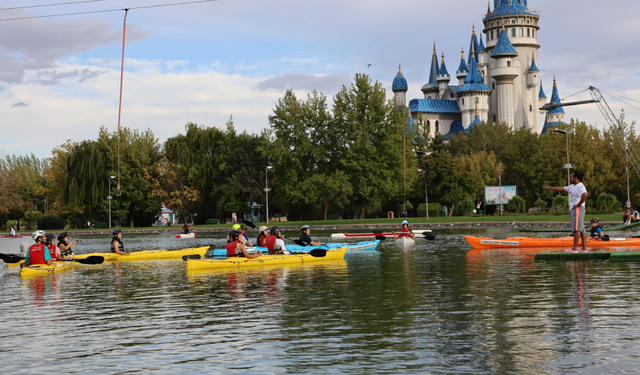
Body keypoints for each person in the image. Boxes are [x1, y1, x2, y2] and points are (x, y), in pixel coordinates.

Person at [544, 171, 588, 252]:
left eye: (571, 177)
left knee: (577, 229)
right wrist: (549, 188)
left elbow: (585, 195)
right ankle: (584, 249)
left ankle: (574, 249)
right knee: (581, 228)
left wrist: (578, 204)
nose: (570, 178)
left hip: (577, 209)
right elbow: (561, 188)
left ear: (576, 178)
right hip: (576, 209)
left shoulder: (579, 186)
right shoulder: (572, 186)